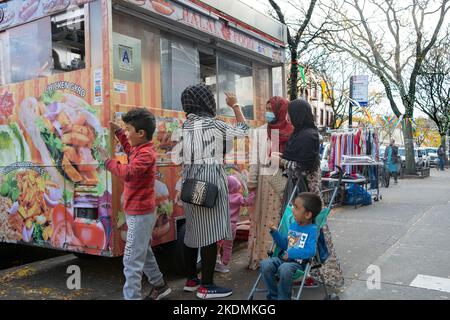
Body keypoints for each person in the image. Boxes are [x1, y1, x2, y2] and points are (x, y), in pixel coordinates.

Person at [178, 84, 249, 299]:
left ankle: (191, 280)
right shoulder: (214, 125)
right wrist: (235, 105)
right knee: (211, 232)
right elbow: (244, 130)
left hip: (190, 183)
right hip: (210, 184)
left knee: (192, 230)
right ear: (207, 101)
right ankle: (207, 286)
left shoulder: (185, 126)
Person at [276, 99, 344, 289]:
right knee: (297, 229)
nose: (288, 117)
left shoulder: (309, 136)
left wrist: (281, 161)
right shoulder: (300, 133)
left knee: (313, 229)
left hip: (307, 193)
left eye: (290, 113)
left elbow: (302, 166)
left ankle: (321, 271)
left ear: (297, 114)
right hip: (298, 191)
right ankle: (299, 272)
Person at [104, 107, 171, 300]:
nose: (126, 132)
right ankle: (160, 285)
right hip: (137, 213)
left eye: (128, 129)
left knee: (131, 260)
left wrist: (108, 162)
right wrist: (118, 132)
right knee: (143, 251)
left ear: (140, 133)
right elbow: (129, 148)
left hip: (141, 214)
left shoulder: (147, 154)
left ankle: (132, 297)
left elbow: (128, 172)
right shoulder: (139, 149)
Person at [247, 96, 293, 270]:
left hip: (283, 182)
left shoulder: (291, 131)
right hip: (265, 184)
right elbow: (255, 160)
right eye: (266, 108)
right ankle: (262, 257)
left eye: (271, 108)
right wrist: (252, 182)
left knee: (282, 220)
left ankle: (279, 258)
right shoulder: (260, 132)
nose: (267, 112)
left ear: (280, 110)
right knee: (263, 220)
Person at [260, 192, 321, 300]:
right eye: (293, 206)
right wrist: (275, 232)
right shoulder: (293, 225)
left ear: (307, 214)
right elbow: (286, 244)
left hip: (298, 263)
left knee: (285, 268)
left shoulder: (312, 230)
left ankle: (283, 298)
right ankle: (273, 296)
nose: (293, 209)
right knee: (265, 264)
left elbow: (311, 251)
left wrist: (291, 253)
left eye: (296, 207)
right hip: (284, 259)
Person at [215, 175, 256, 273]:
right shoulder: (237, 197)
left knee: (217, 242)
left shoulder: (222, 197)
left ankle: (216, 260)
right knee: (228, 245)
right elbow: (248, 202)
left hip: (220, 223)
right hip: (231, 225)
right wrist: (253, 193)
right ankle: (225, 263)